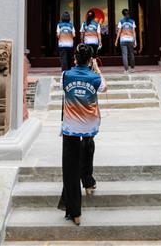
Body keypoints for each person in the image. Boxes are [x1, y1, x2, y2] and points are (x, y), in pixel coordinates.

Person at [58, 44, 106, 225]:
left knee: (70, 168)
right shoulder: (95, 78)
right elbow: (104, 88)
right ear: (90, 60)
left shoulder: (65, 75)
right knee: (87, 150)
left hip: (71, 128)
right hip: (89, 126)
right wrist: (97, 69)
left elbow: (63, 88)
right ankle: (88, 181)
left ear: (75, 59)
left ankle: (75, 212)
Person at [115, 8, 139, 73]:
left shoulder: (121, 21)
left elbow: (119, 32)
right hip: (130, 40)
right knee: (131, 54)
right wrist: (135, 41)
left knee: (124, 55)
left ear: (123, 14)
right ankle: (132, 69)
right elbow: (134, 32)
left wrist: (116, 40)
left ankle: (126, 70)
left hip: (123, 40)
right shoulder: (132, 21)